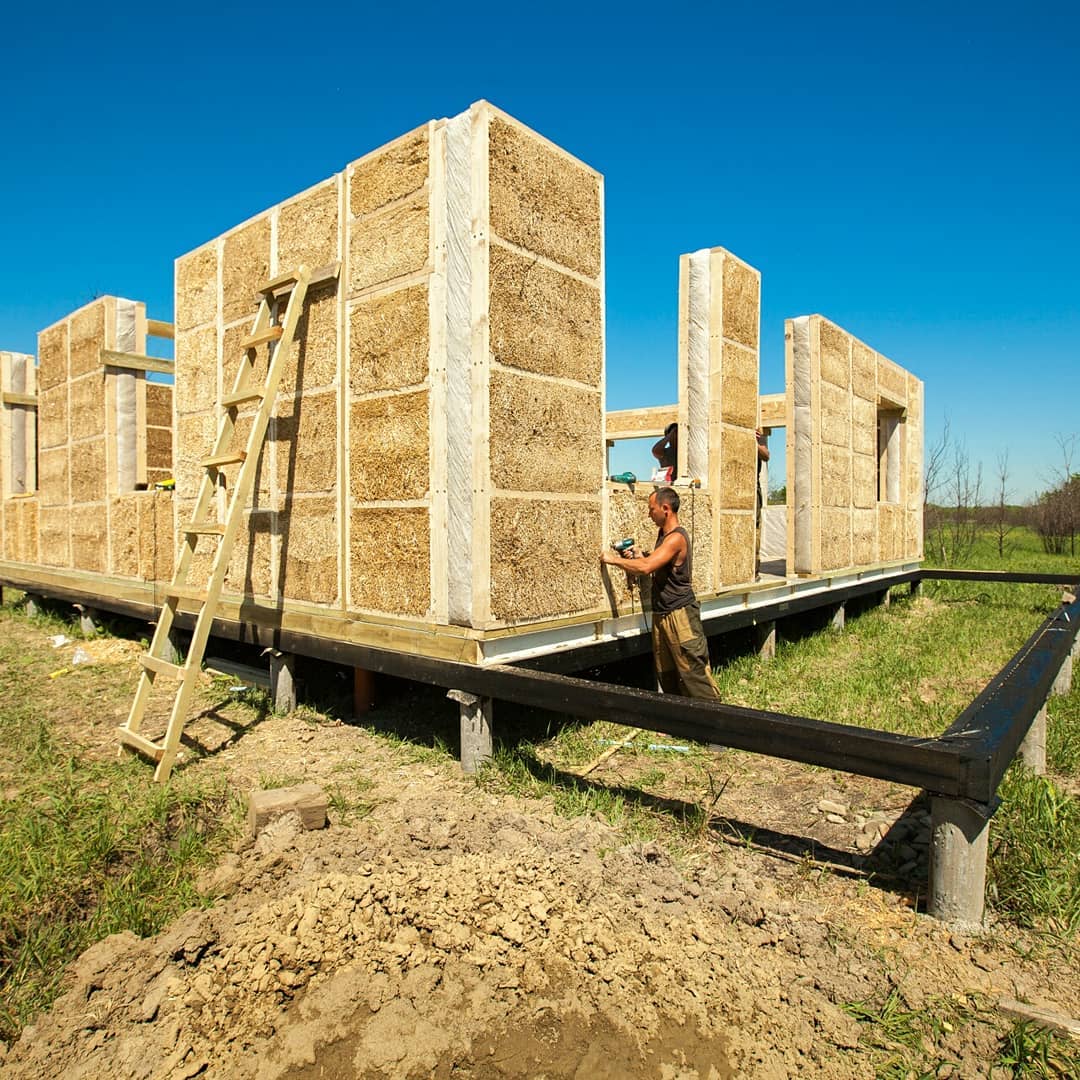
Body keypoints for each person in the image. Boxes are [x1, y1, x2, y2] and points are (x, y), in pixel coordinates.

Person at [601, 487, 721, 701]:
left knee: (692, 668)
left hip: (680, 614)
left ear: (665, 509)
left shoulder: (676, 538)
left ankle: (715, 720)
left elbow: (647, 567)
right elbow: (656, 561)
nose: (649, 514)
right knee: (666, 671)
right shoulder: (663, 535)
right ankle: (677, 718)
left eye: (651, 509)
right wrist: (640, 555)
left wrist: (614, 560)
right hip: (662, 612)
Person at [754, 428, 770, 579]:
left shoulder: (756, 440)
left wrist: (754, 442)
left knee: (755, 529)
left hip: (753, 490)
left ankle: (755, 569)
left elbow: (766, 456)